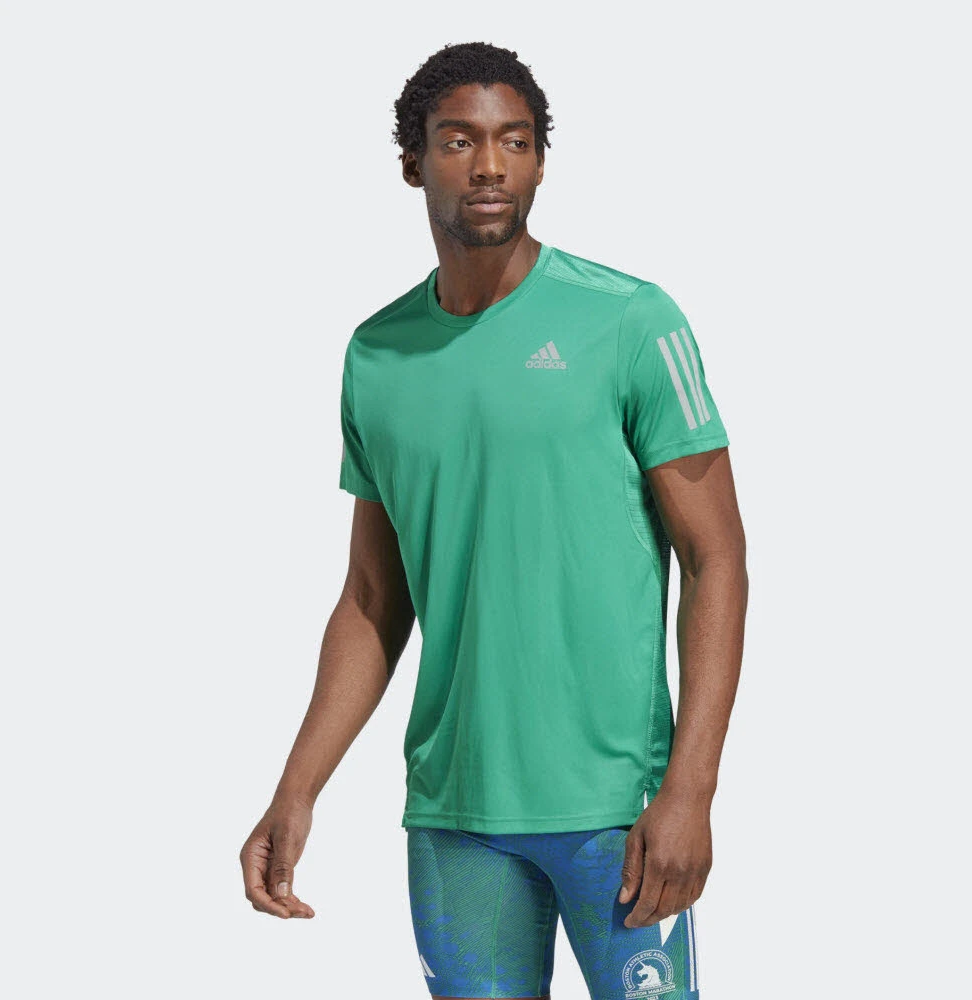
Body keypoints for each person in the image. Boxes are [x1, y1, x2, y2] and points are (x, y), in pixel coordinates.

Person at [240, 41, 748, 1000]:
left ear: (540, 162)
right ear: (413, 162)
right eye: (458, 141)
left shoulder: (631, 321)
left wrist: (692, 786)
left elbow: (717, 557)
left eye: (514, 142)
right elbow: (374, 597)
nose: (488, 166)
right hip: (454, 811)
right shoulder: (377, 354)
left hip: (616, 806)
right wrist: (296, 789)